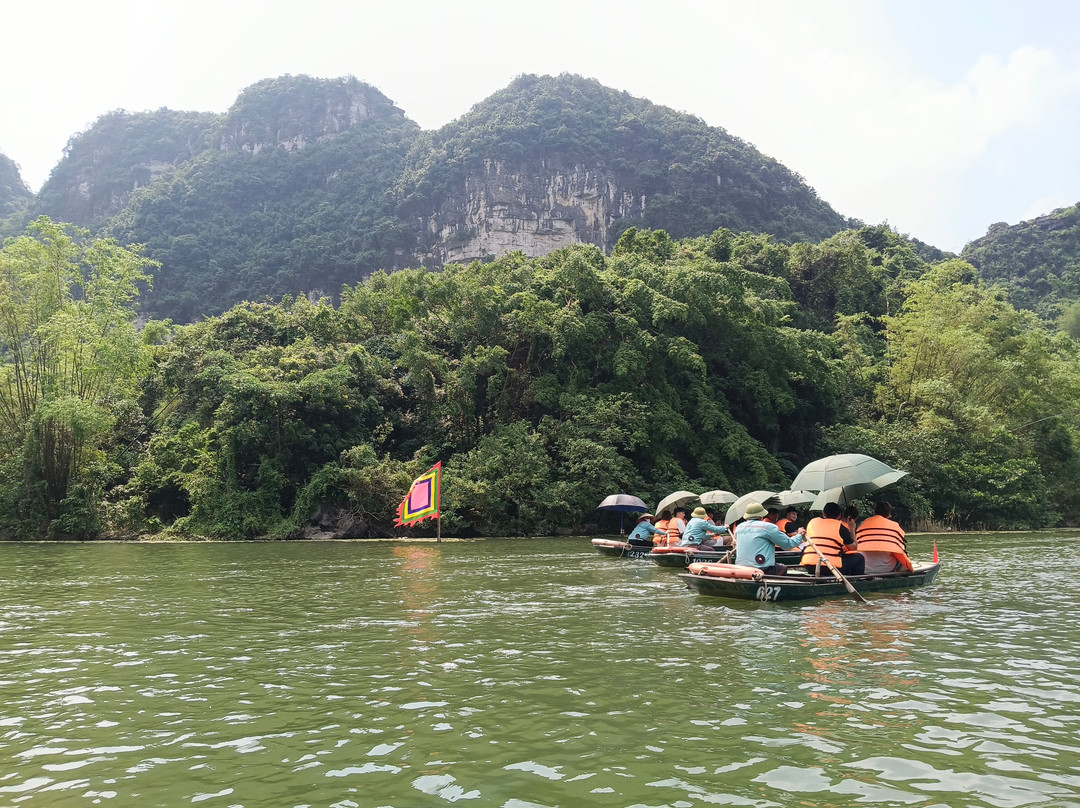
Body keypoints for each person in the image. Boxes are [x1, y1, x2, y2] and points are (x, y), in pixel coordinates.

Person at [734, 502, 803, 575]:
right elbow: (788, 544)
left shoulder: (739, 528)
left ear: (746, 516)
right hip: (762, 569)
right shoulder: (768, 527)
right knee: (783, 568)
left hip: (741, 568)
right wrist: (799, 535)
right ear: (762, 516)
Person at [801, 501, 865, 576]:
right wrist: (852, 529)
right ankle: (855, 582)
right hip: (830, 567)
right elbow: (853, 548)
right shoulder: (840, 527)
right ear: (839, 516)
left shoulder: (812, 522)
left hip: (809, 566)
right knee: (860, 558)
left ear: (823, 513)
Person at [856, 501, 913, 573]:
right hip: (887, 568)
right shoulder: (894, 525)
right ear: (889, 515)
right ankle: (895, 575)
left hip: (864, 567)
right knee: (906, 555)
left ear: (874, 512)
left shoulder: (862, 523)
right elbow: (900, 549)